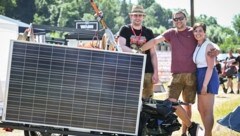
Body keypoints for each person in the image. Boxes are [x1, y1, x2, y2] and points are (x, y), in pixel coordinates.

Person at [137, 10, 220, 136]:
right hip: (176, 75)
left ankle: (184, 132)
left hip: (192, 75)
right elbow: (154, 41)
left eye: (180, 18)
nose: (178, 21)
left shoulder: (193, 32)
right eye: (175, 19)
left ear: (185, 19)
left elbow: (208, 42)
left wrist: (217, 50)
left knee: (187, 105)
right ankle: (192, 126)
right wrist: (139, 49)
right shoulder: (171, 33)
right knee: (172, 102)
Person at [118, 5, 159, 100]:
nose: (137, 17)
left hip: (147, 70)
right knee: (130, 99)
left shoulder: (148, 32)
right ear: (131, 16)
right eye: (135, 15)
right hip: (130, 70)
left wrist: (156, 72)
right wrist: (134, 52)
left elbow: (153, 53)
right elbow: (121, 46)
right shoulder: (125, 29)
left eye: (140, 15)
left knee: (147, 100)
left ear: (143, 17)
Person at [192, 22, 219, 136]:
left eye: (200, 31)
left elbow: (210, 66)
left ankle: (208, 134)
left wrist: (204, 85)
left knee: (207, 110)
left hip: (207, 76)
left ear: (205, 32)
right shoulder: (198, 45)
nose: (198, 33)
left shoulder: (208, 45)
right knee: (200, 108)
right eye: (196, 31)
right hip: (199, 75)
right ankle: (207, 132)